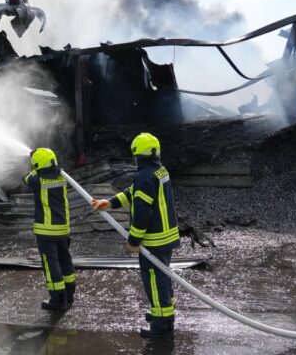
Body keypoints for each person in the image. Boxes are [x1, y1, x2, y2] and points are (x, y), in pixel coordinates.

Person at [91, 133, 180, 338]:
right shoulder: (159, 171)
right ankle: (164, 314)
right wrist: (110, 202)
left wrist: (133, 240)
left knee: (154, 282)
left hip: (154, 240)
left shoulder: (144, 177)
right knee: (163, 279)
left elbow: (142, 213)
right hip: (166, 237)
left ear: (138, 155)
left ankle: (161, 325)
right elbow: (133, 192)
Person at [23, 147, 76, 311]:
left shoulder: (37, 180)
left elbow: (26, 178)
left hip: (46, 232)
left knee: (51, 265)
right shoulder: (62, 176)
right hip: (63, 230)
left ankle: (57, 300)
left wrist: (34, 165)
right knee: (65, 262)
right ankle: (69, 295)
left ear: (37, 164)